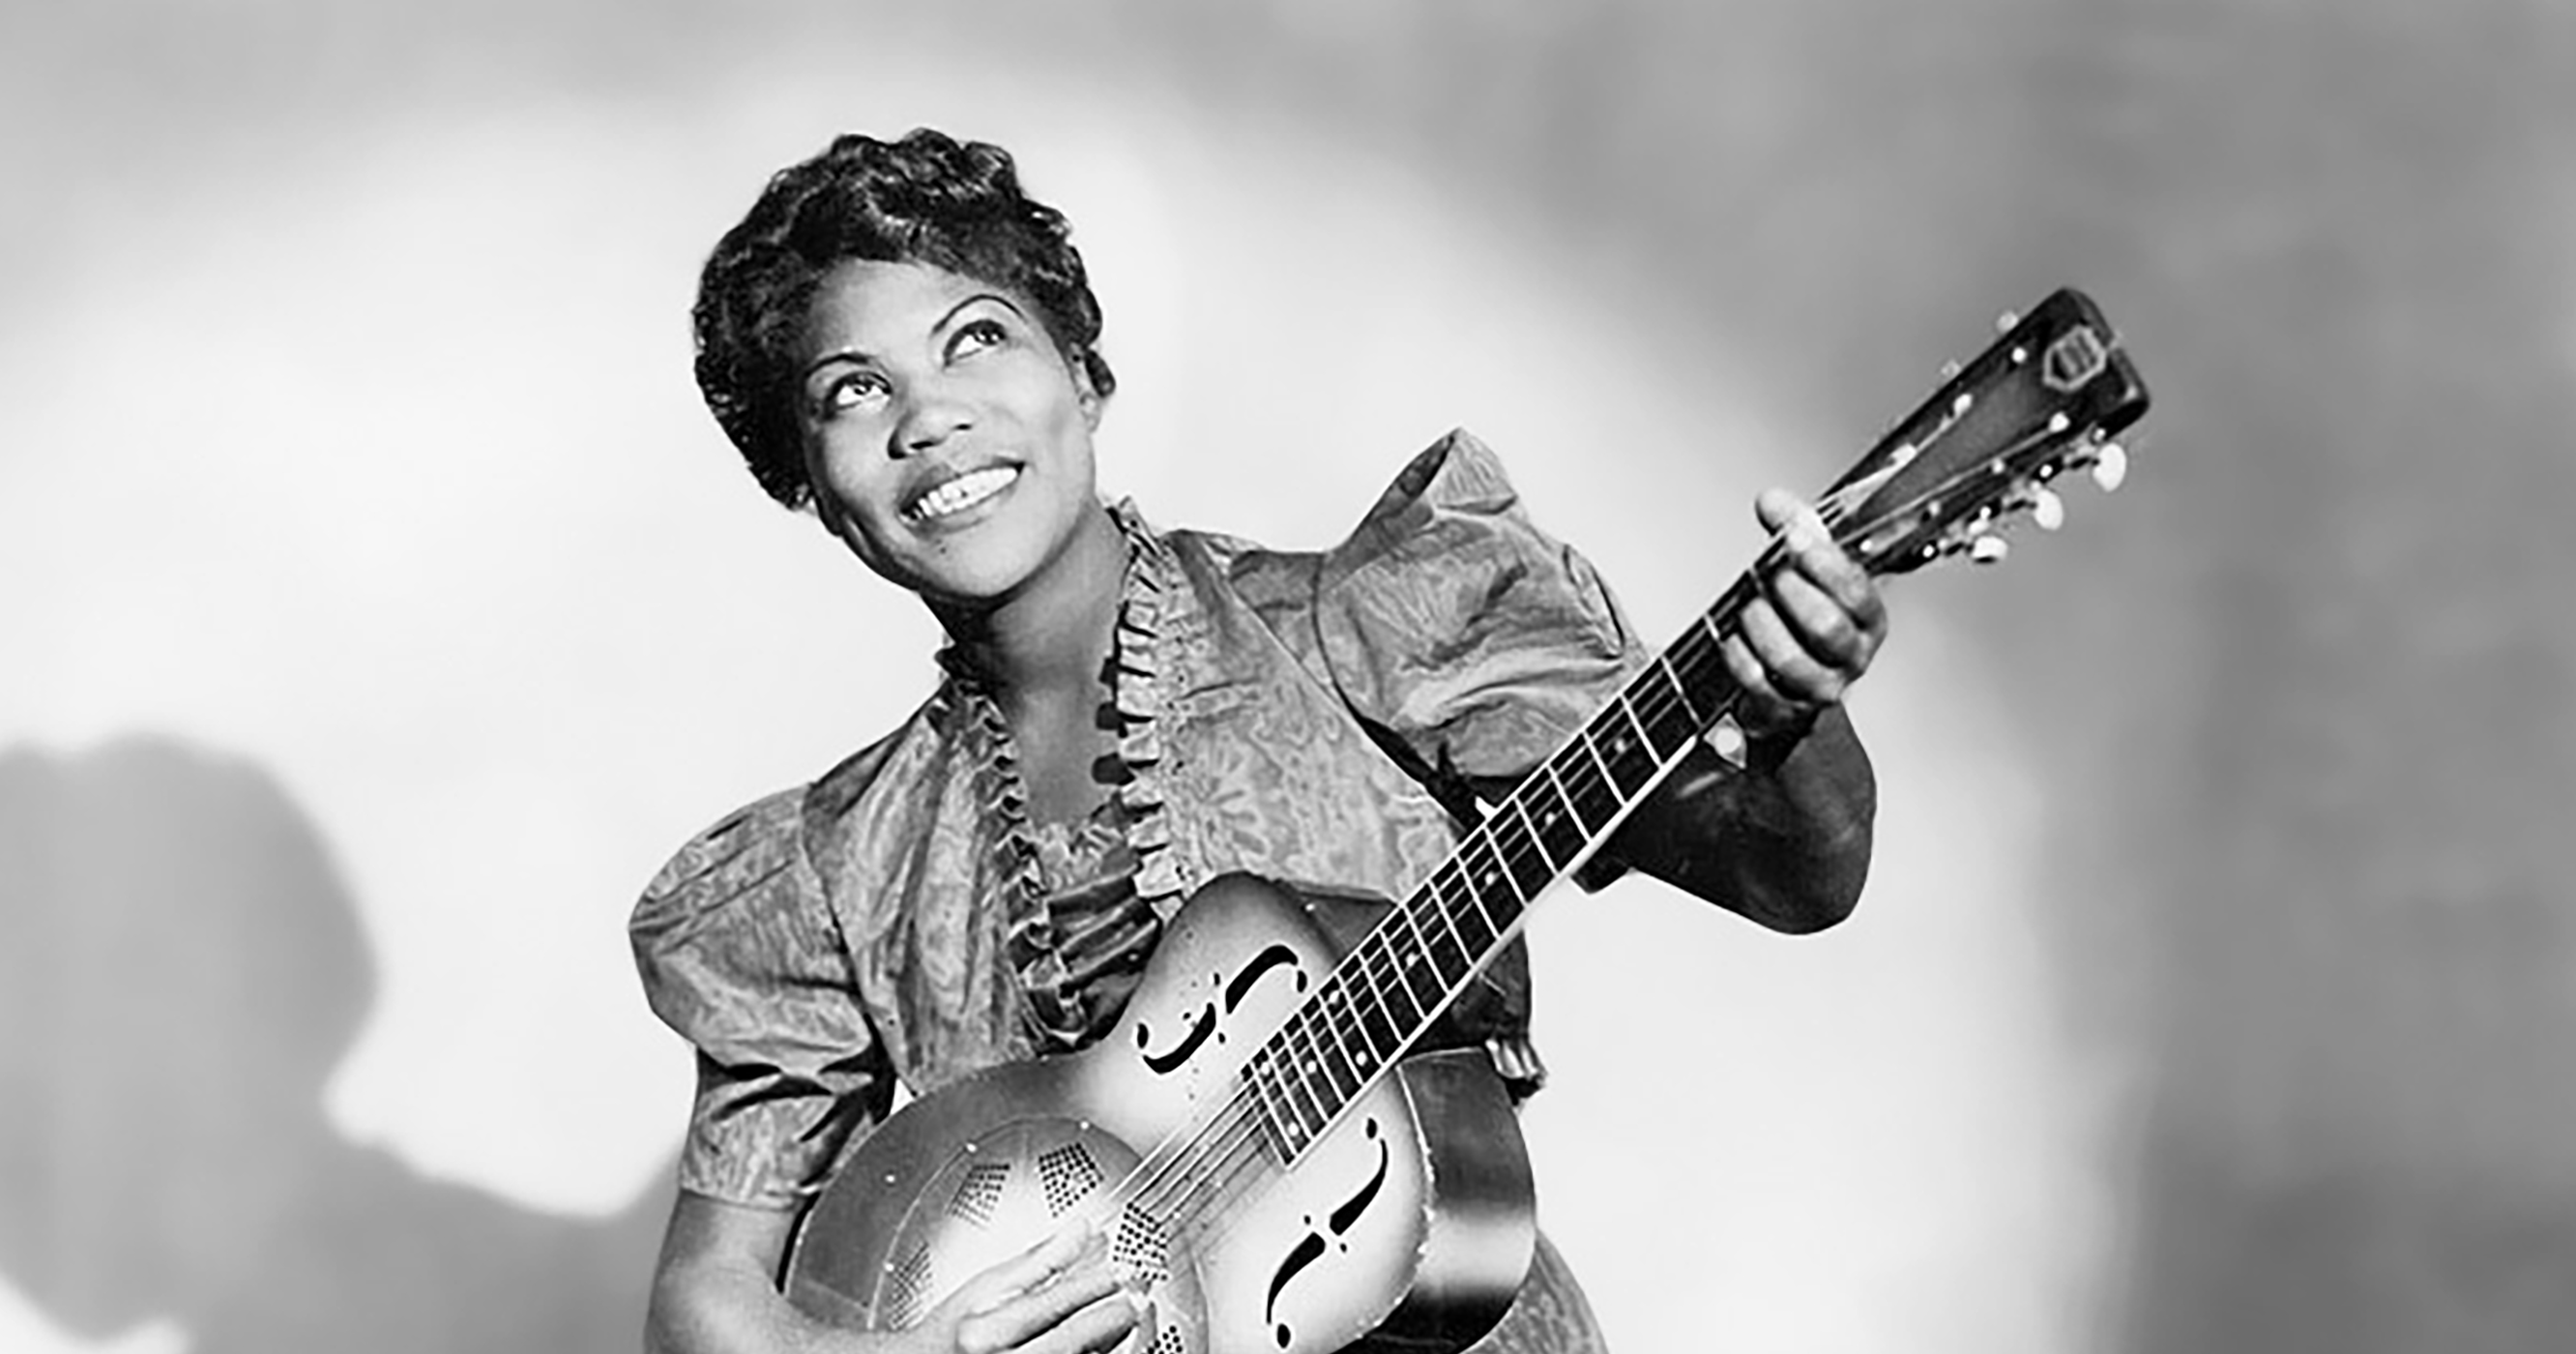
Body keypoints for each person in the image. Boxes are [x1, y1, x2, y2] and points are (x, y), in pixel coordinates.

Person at [629, 129, 1888, 1354]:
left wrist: (1794, 718)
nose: (930, 418)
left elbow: (1794, 877)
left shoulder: (1364, 625)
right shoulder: (840, 866)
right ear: (809, 482)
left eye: (979, 339)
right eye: (854, 392)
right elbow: (702, 1308)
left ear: (1084, 374)